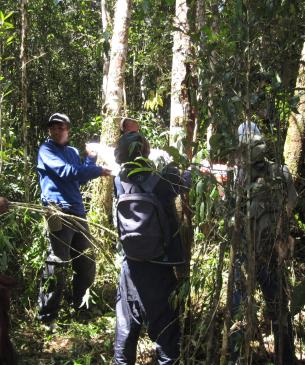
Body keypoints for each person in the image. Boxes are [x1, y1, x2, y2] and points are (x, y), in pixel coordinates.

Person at [113, 132, 189, 365]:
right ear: (145, 152)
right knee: (165, 330)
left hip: (131, 265)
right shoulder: (162, 180)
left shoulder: (119, 181)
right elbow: (186, 181)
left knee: (125, 331)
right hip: (160, 267)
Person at [230, 123, 297, 364]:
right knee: (279, 311)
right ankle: (286, 358)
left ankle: (238, 358)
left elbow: (233, 217)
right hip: (273, 252)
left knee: (239, 312)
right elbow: (291, 204)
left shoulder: (239, 177)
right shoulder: (282, 172)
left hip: (249, 254)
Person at [37, 112, 111, 326]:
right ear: (50, 130)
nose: (58, 131)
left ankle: (80, 308)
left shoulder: (71, 151)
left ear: (69, 130)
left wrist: (90, 158)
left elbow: (80, 174)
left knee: (86, 262)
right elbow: (67, 171)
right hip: (57, 211)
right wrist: (97, 170)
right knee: (57, 264)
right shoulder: (46, 150)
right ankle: (47, 316)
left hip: (78, 212)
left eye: (62, 127)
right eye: (54, 128)